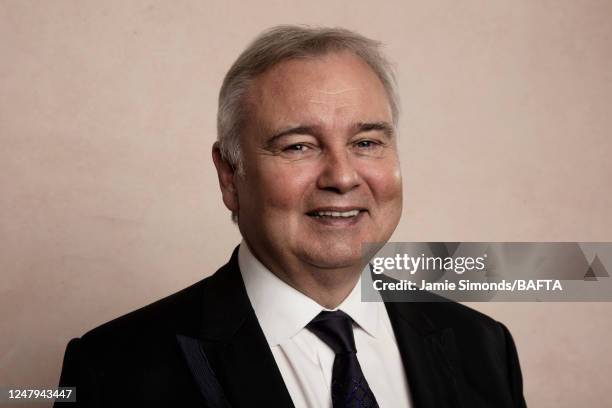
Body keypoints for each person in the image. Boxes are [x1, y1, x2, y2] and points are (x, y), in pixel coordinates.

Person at [55, 25, 527, 407]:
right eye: (298, 146)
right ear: (229, 176)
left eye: (366, 142)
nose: (342, 177)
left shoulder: (483, 348)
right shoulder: (112, 372)